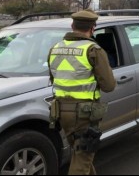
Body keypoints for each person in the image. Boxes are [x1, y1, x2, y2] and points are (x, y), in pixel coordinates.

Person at [48, 9, 116, 175]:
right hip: (84, 114)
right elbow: (108, 85)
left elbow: (53, 77)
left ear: (72, 26)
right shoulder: (93, 50)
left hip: (61, 112)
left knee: (81, 154)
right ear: (93, 28)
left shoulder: (55, 48)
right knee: (82, 158)